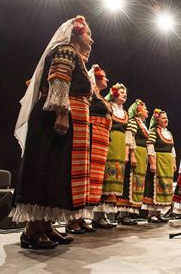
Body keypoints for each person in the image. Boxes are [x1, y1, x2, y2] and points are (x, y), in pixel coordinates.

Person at [12, 16, 93, 249]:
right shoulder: (65, 50)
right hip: (52, 118)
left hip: (61, 119)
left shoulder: (74, 54)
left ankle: (45, 226)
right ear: (76, 34)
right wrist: (61, 112)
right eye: (88, 34)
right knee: (44, 168)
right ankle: (31, 230)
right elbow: (59, 80)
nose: (92, 39)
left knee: (55, 171)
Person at [67, 64, 111, 233]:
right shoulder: (91, 93)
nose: (106, 79)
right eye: (104, 76)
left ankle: (83, 217)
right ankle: (73, 219)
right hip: (92, 134)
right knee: (83, 174)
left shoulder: (100, 96)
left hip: (101, 138)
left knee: (93, 180)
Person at [93, 83, 128, 228]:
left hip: (120, 145)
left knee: (115, 179)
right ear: (114, 93)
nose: (125, 94)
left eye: (126, 92)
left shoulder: (124, 112)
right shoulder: (109, 106)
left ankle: (105, 215)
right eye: (121, 92)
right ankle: (97, 215)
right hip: (110, 141)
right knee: (105, 177)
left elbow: (127, 134)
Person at [115, 99, 150, 224]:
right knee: (129, 181)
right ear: (138, 110)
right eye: (145, 108)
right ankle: (123, 214)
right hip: (135, 152)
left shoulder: (141, 123)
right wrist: (132, 155)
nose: (147, 111)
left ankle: (127, 213)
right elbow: (130, 137)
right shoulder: (133, 121)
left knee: (136, 182)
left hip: (142, 153)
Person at [143, 109, 176, 222]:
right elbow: (150, 145)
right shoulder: (153, 131)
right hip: (158, 161)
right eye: (163, 118)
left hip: (167, 163)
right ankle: (151, 213)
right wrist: (152, 163)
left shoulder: (169, 133)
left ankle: (158, 213)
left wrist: (174, 163)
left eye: (166, 118)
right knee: (154, 187)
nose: (166, 119)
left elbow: (172, 149)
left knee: (164, 187)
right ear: (157, 120)